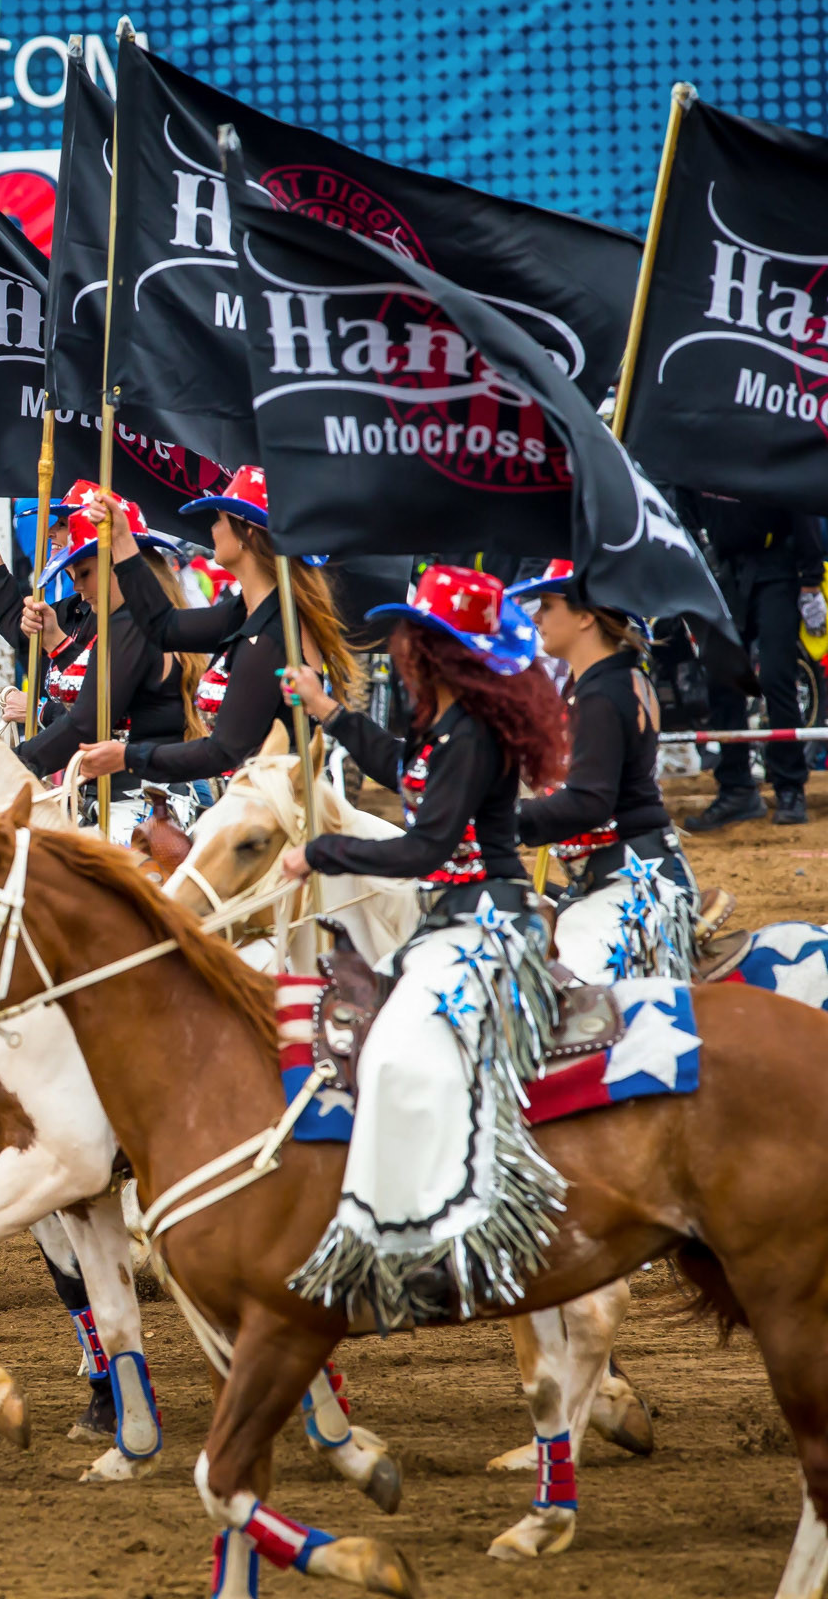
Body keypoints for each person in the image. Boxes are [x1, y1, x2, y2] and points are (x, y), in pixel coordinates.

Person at [277, 565, 569, 1327]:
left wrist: (322, 853)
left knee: (397, 1056)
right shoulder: (441, 723)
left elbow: (425, 847)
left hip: (484, 925)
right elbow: (400, 771)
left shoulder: (469, 733)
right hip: (448, 922)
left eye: (414, 634)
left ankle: (439, 1228)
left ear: (437, 650)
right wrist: (328, 711)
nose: (400, 645)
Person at [74, 465, 357, 785]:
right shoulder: (250, 611)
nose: (212, 529)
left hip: (281, 807)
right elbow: (164, 628)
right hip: (256, 800)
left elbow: (223, 752)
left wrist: (128, 757)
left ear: (248, 534)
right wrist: (122, 540)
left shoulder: (272, 632)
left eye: (220, 519)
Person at [508, 560, 695, 982]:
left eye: (548, 606)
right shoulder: (613, 681)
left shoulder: (601, 694)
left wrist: (497, 820)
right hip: (629, 876)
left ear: (586, 616)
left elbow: (589, 802)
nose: (536, 618)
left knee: (562, 987)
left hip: (632, 889)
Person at [0, 484, 193, 781]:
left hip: (145, 795)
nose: (50, 532)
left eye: (64, 524)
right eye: (73, 573)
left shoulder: (138, 622)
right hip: (97, 789)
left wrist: (19, 746)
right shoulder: (81, 609)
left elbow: (92, 717)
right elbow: (16, 625)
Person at [676, 491, 824, 831]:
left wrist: (811, 581)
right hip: (725, 569)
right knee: (721, 677)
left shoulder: (762, 455)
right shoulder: (699, 463)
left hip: (776, 568)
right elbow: (683, 509)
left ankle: (789, 788)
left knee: (776, 676)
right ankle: (736, 789)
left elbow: (799, 500)